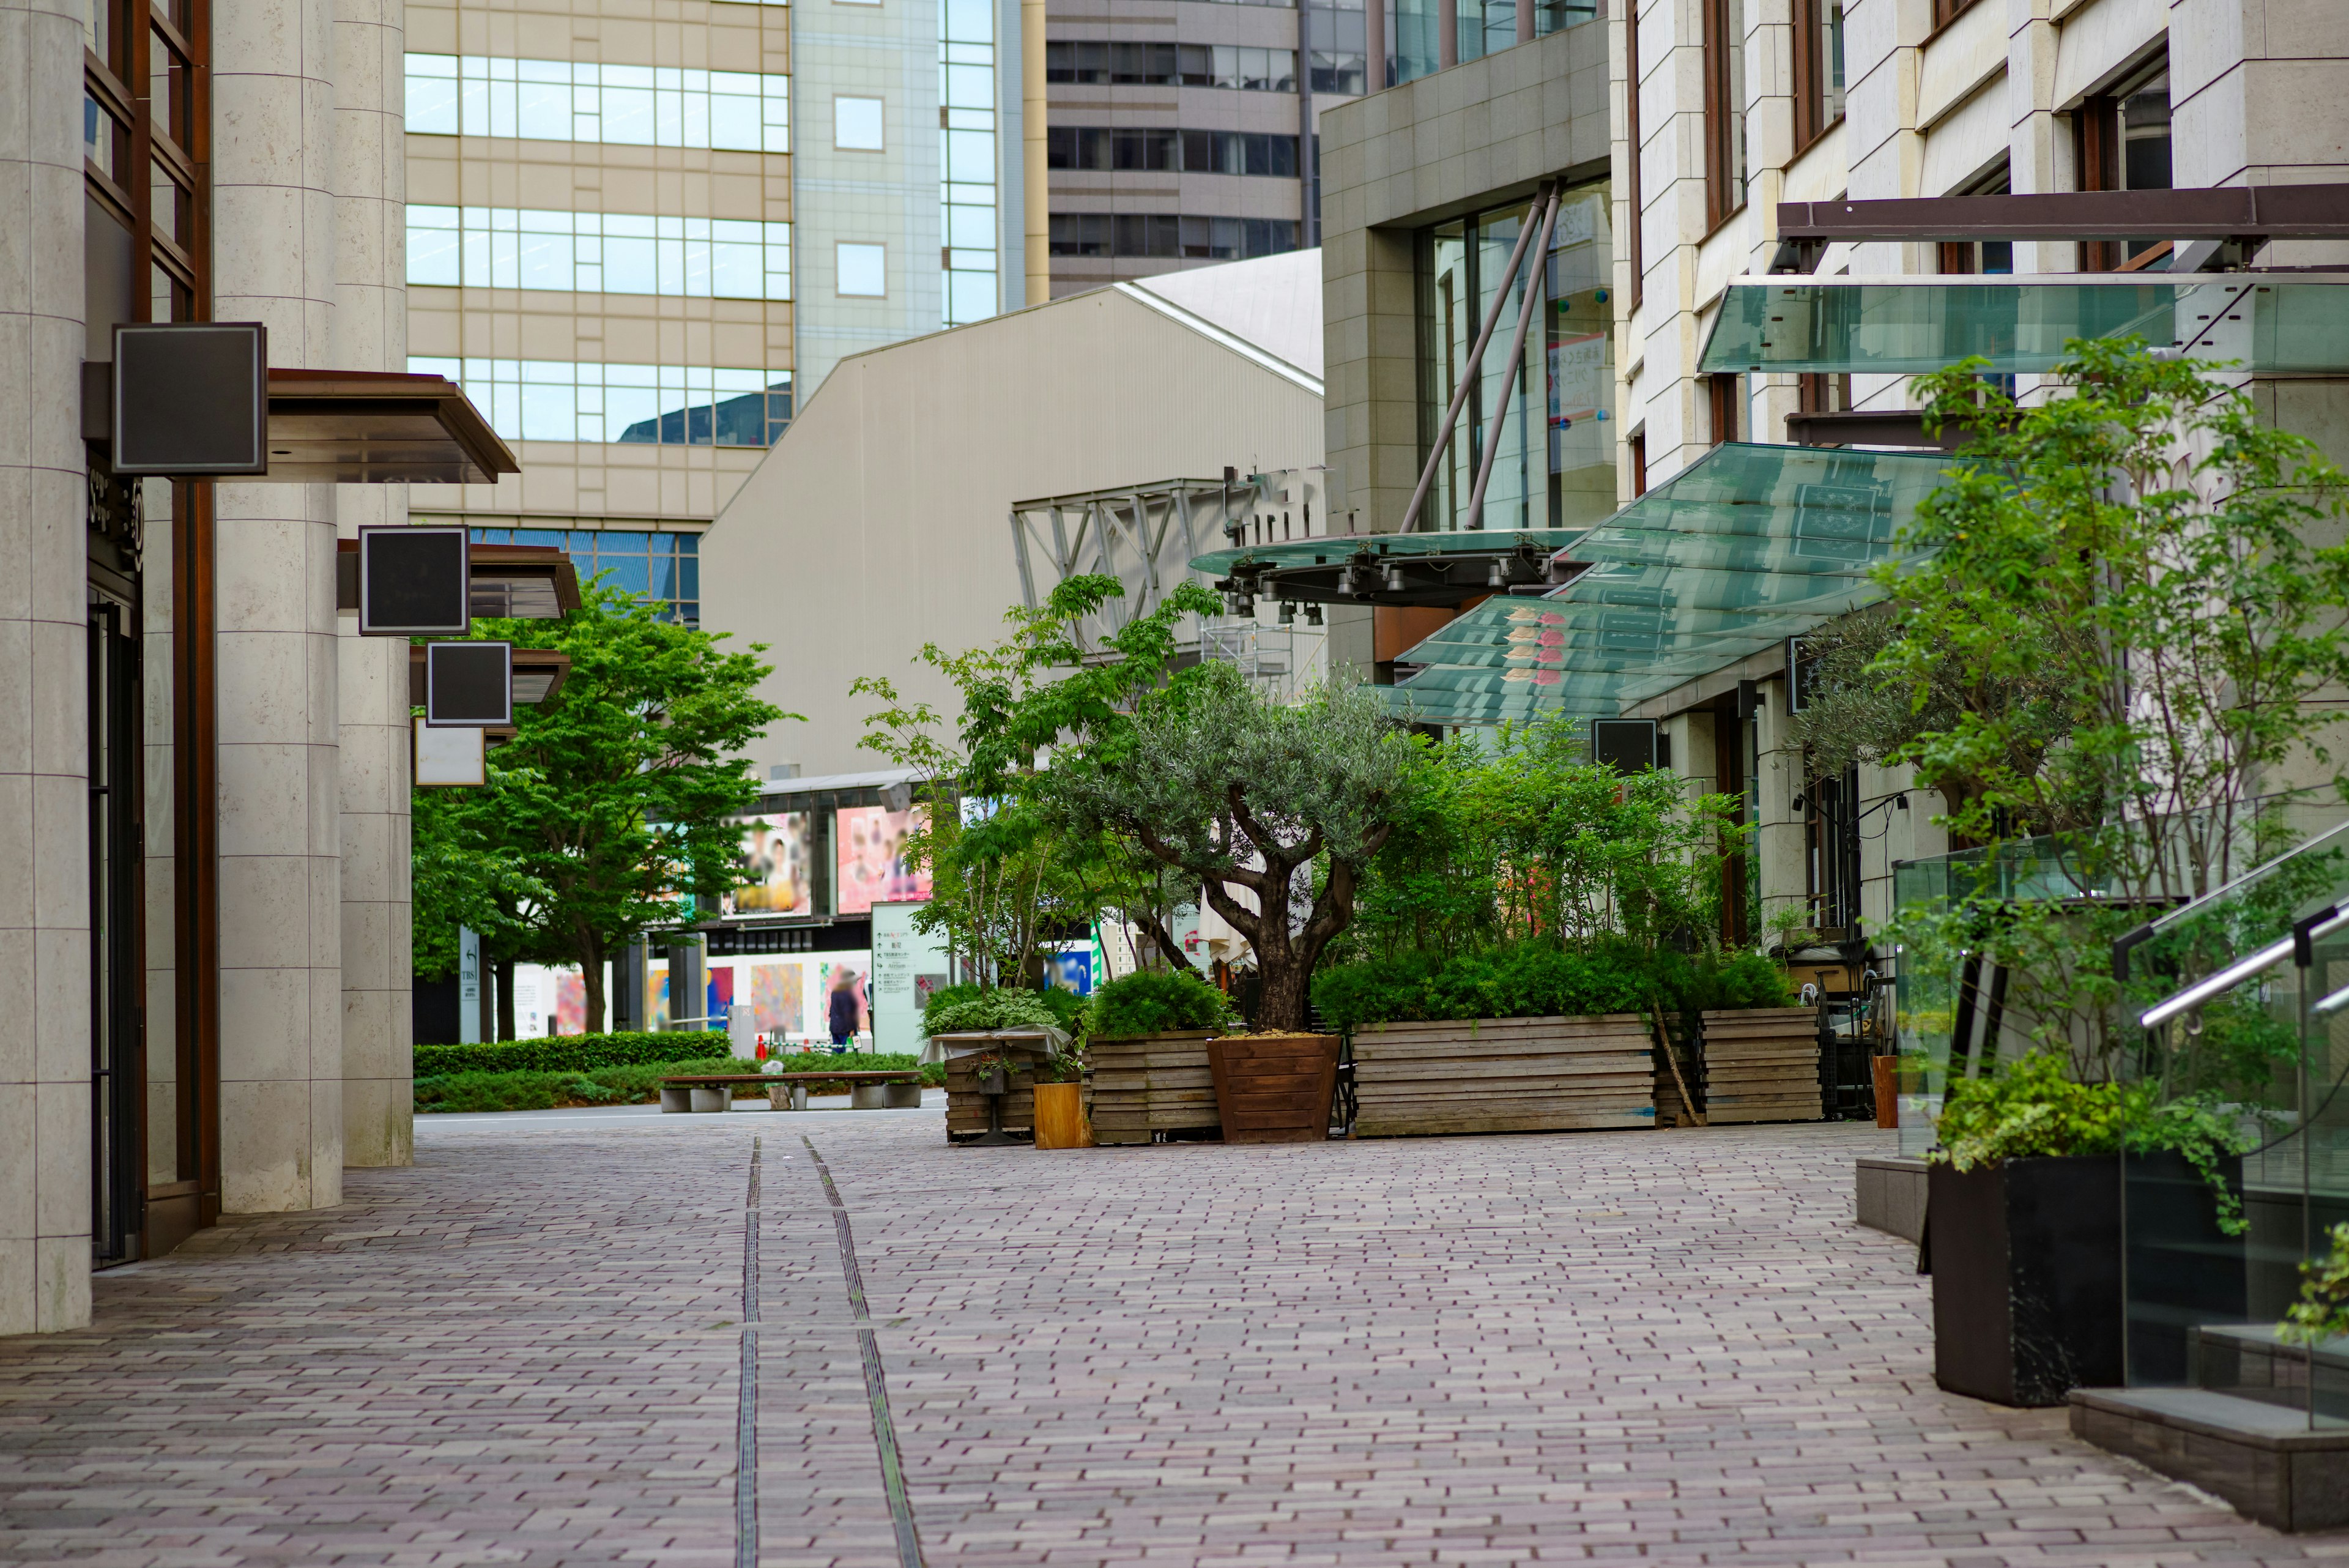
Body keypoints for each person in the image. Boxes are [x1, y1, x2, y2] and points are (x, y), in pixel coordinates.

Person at [827, 967, 861, 1052]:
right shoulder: (847, 993)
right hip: (846, 1029)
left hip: (835, 1027)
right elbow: (848, 1012)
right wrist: (852, 1030)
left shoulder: (835, 991)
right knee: (849, 1053)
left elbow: (832, 1011)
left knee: (838, 1053)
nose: (856, 982)